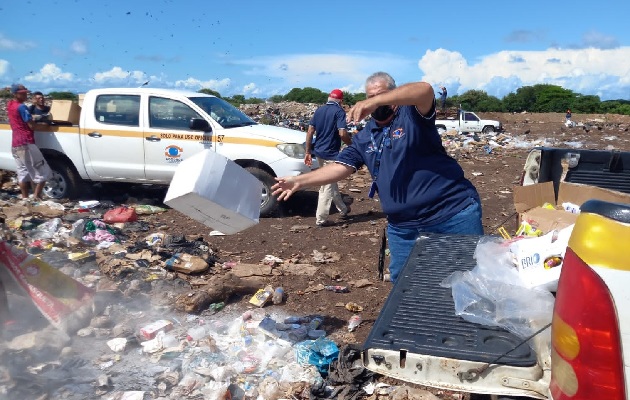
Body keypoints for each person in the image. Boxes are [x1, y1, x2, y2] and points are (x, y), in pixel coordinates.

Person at [272, 72, 483, 282]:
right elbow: (340, 167)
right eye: (369, 96)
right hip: (403, 227)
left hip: (451, 215)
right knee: (405, 287)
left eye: (379, 95)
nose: (374, 102)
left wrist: (376, 100)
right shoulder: (365, 136)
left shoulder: (412, 116)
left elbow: (425, 90)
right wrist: (300, 181)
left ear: (393, 94)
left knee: (467, 280)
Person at [304, 89, 352, 227]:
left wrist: (308, 151)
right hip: (331, 153)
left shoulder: (319, 110)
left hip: (318, 152)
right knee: (326, 186)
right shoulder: (339, 112)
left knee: (331, 181)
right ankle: (321, 219)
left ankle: (343, 209)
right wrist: (352, 145)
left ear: (329, 98)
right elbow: (342, 133)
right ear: (341, 101)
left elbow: (310, 131)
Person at [7, 83, 52, 200]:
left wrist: (32, 117)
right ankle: (36, 197)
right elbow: (32, 126)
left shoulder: (10, 105)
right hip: (26, 142)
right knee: (44, 172)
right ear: (15, 94)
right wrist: (46, 125)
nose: (25, 95)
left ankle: (25, 199)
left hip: (15, 144)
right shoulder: (22, 107)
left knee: (22, 174)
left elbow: (20, 118)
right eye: (22, 93)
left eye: (26, 92)